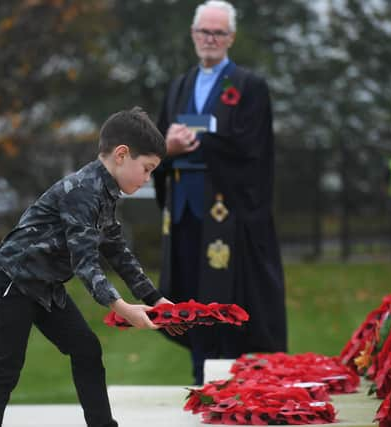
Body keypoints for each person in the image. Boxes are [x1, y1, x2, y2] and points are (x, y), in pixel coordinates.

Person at [0, 107, 184, 427]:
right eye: (147, 169)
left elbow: (116, 251)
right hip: (13, 280)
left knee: (86, 349)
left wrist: (156, 300)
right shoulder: (83, 191)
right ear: (122, 155)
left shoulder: (106, 192)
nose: (147, 178)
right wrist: (122, 307)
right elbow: (85, 261)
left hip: (45, 286)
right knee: (5, 369)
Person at [153, 0, 287, 385]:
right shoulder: (179, 85)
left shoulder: (248, 86)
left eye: (218, 32)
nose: (210, 39)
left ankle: (232, 382)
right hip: (183, 211)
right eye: (203, 32)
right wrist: (168, 148)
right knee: (189, 300)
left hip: (227, 216)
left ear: (231, 38)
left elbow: (251, 149)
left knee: (225, 300)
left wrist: (194, 140)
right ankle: (200, 377)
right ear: (193, 35)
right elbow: (160, 140)